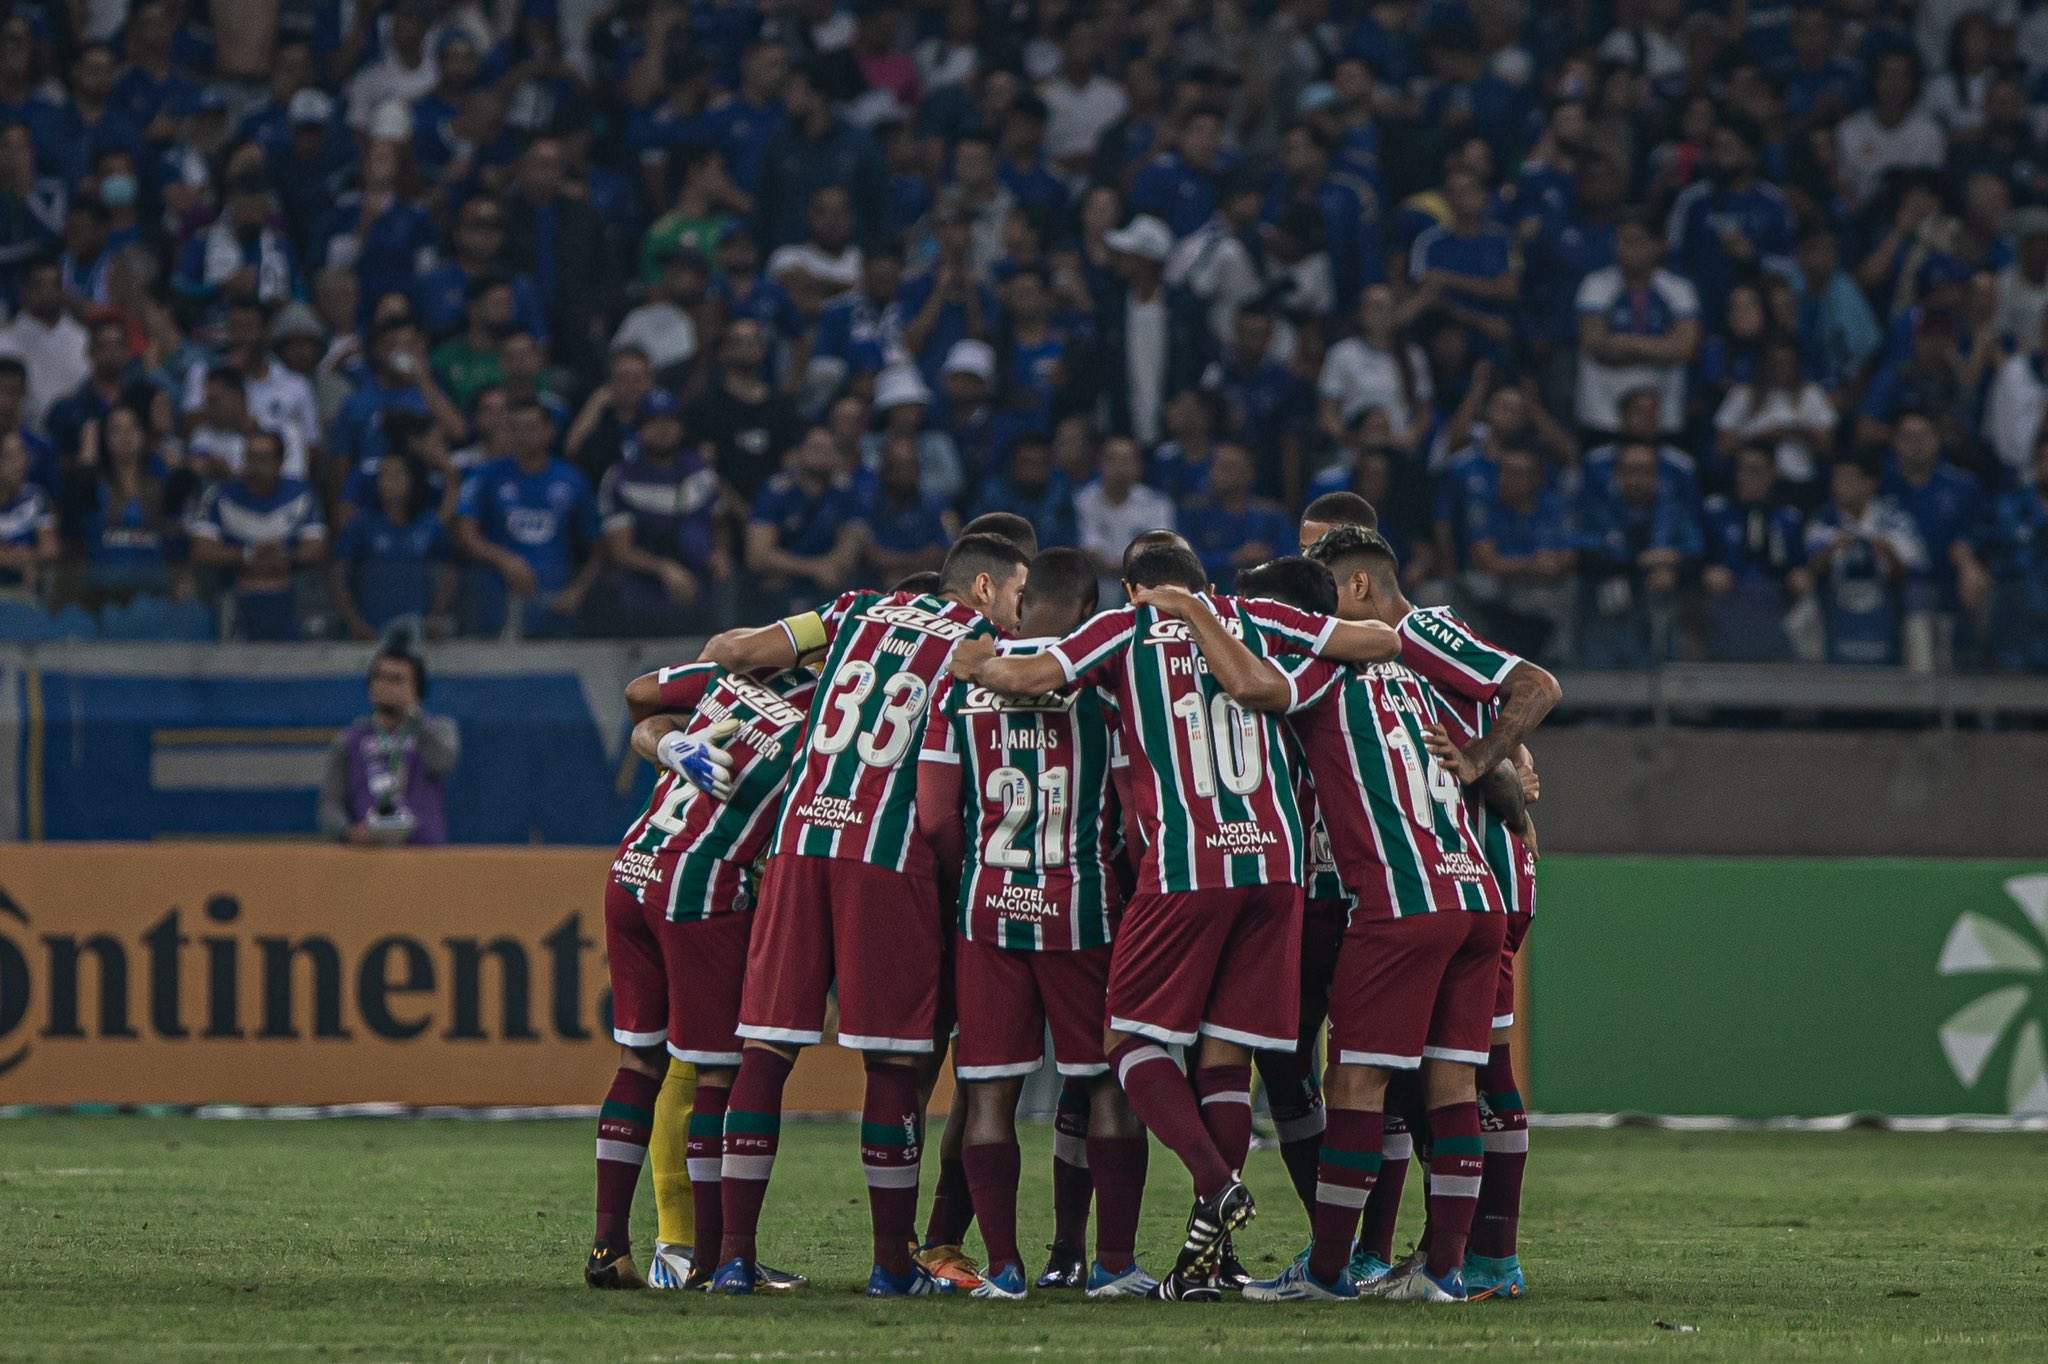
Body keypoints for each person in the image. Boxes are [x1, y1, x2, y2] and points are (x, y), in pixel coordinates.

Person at [952, 536, 1399, 1301]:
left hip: (1189, 861)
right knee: (1226, 1057)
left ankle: (1213, 1181)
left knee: (1128, 1039)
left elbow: (1026, 676)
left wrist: (977, 664)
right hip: (1278, 866)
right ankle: (1207, 1262)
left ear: (1132, 588)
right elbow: (1381, 638)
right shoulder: (1249, 616)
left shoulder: (1124, 628)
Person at [697, 533, 1029, 1298]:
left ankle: (734, 1259)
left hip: (798, 842)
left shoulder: (853, 609)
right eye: (1014, 596)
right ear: (983, 588)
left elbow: (740, 650)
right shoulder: (982, 643)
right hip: (888, 856)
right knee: (892, 1062)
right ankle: (889, 1266)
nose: (1015, 614)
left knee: (767, 1051)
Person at [914, 546, 1152, 1300]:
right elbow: (1135, 810)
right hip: (1082, 906)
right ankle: (1112, 1263)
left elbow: (932, 816)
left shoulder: (961, 682)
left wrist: (968, 879)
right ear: (1088, 611)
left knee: (988, 1092)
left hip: (989, 907)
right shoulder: (1105, 687)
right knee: (1108, 1084)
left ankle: (1006, 1267)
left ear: (1024, 602)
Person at [584, 652, 823, 1292]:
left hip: (632, 865)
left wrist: (670, 747)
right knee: (717, 1072)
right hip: (700, 884)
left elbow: (642, 713)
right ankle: (716, 1261)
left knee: (640, 1063)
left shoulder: (733, 677)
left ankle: (610, 1247)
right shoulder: (828, 720)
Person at [454, 398, 602, 639]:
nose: (523, 435)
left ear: (549, 432)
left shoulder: (572, 479)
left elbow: (598, 544)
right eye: (516, 428)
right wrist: (505, 560)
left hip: (554, 604)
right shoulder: (485, 475)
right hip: (497, 601)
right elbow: (464, 533)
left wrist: (578, 591)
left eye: (531, 427)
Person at [598, 391, 727, 636]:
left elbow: (720, 523)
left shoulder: (700, 471)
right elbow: (620, 550)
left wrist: (719, 553)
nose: (663, 429)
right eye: (654, 422)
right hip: (642, 597)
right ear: (640, 429)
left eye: (670, 421)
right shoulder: (621, 478)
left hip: (701, 592)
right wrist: (664, 569)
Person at [316, 640, 459, 846]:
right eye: (379, 677)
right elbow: (329, 802)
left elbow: (444, 763)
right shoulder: (350, 739)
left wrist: (413, 715)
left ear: (416, 689)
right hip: (369, 856)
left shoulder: (438, 729)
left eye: (396, 680)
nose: (385, 685)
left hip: (424, 854)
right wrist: (346, 832)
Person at [187, 430, 326, 640]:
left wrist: (285, 556)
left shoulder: (301, 495)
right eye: (250, 458)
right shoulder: (219, 496)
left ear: (279, 462)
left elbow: (316, 548)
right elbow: (202, 550)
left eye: (263, 459)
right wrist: (247, 554)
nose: (255, 466)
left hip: (290, 597)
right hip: (235, 595)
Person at [1573, 213, 1700, 439]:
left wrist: (1623, 343)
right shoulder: (1595, 285)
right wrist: (1660, 349)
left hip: (1663, 413)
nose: (1626, 249)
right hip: (1602, 410)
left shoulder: (1679, 289)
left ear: (1659, 245)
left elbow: (1684, 349)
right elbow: (1596, 346)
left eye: (1636, 241)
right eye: (1621, 241)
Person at [1805, 452, 1927, 666]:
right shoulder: (1824, 519)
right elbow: (1812, 567)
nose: (1840, 486)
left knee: (1918, 614)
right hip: (1835, 602)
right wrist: (1831, 550)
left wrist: (1888, 552)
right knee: (1801, 617)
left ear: (1869, 484)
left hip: (1890, 604)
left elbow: (1911, 570)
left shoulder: (1894, 519)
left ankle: (1920, 692)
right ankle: (1812, 692)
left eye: (1849, 479)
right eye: (1837, 479)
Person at [330, 453, 456, 639]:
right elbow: (339, 573)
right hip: (372, 630)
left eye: (398, 474)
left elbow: (450, 571)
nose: (390, 481)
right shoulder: (361, 525)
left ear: (412, 480)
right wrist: (355, 623)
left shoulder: (430, 525)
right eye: (384, 475)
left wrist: (435, 615)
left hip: (418, 629)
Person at [746, 427, 868, 615]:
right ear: (799, 452)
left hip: (830, 584)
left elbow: (853, 542)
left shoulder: (846, 491)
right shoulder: (776, 491)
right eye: (815, 448)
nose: (822, 455)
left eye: (828, 449)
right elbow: (758, 555)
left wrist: (831, 566)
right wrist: (813, 569)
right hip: (783, 585)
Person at [1074, 436, 1174, 605]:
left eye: (1127, 460)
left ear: (1139, 466)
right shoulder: (1083, 501)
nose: (1120, 468)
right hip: (1096, 590)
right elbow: (1090, 552)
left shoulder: (1156, 503)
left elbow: (1159, 553)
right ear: (1100, 464)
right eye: (1113, 460)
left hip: (1145, 589)